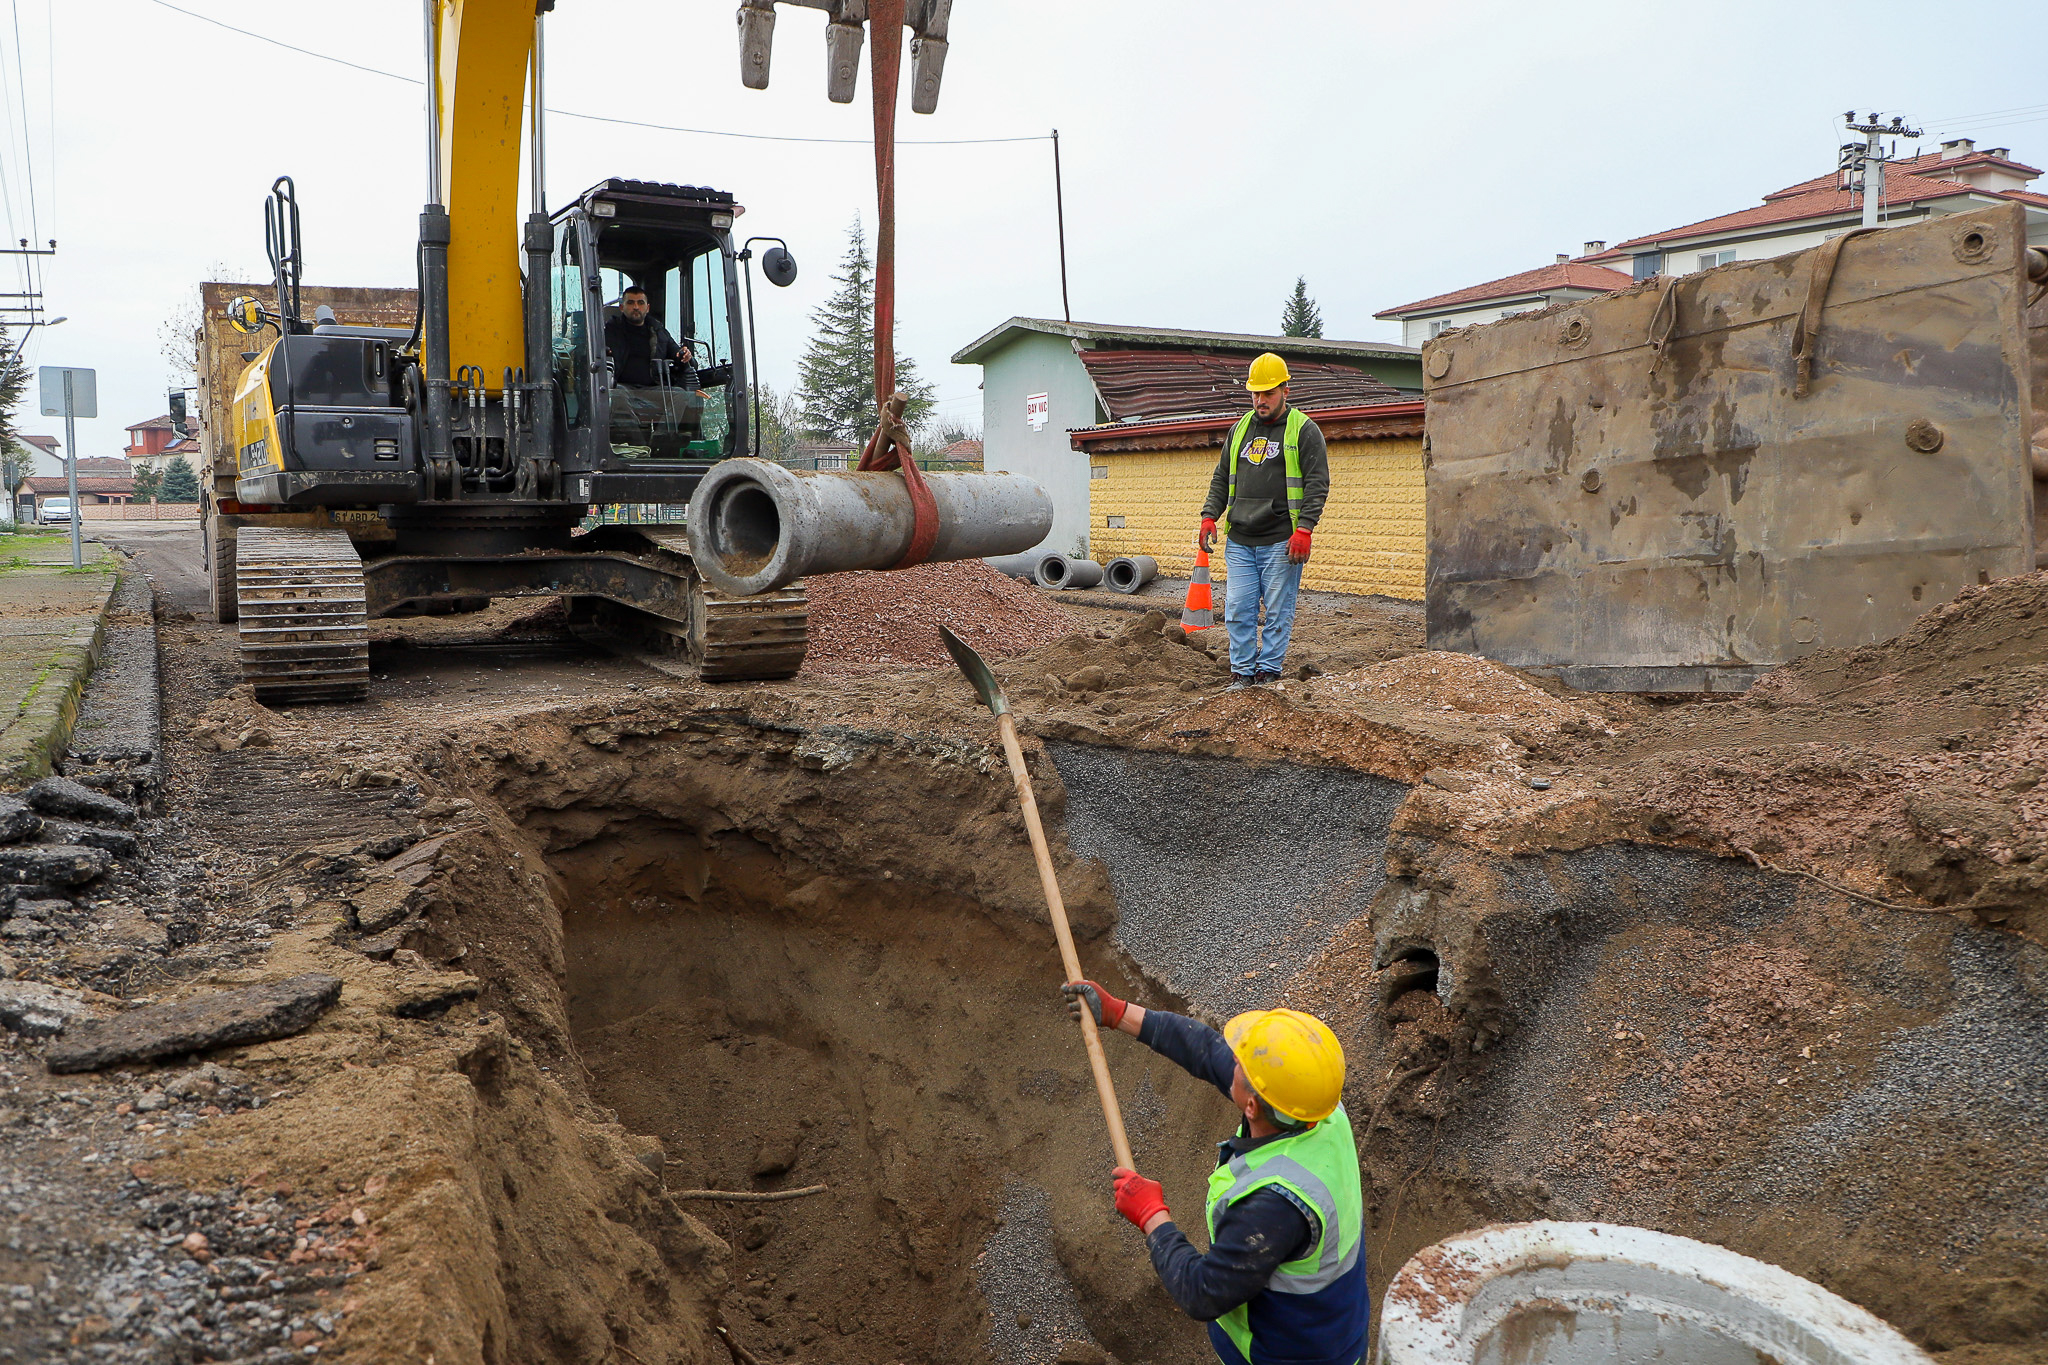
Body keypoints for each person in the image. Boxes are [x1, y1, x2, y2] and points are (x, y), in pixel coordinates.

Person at [1062, 980, 1369, 1365]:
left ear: (1253, 1106)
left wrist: (1151, 1216)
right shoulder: (1317, 1111)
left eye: (1242, 1065)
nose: (1233, 1060)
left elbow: (1203, 1291)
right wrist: (1119, 1013)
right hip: (1333, 1327)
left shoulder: (1273, 1206)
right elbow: (1206, 1050)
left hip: (1292, 1355)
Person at [1198, 353, 1329, 688]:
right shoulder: (1240, 429)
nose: (1260, 400)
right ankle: (1242, 674)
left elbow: (1317, 483)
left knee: (1276, 612)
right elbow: (1221, 477)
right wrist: (1210, 515)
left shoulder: (1303, 430)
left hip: (1280, 541)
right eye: (1255, 393)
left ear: (1286, 390)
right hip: (1241, 539)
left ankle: (1268, 672)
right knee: (1238, 609)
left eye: (1268, 393)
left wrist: (1305, 529)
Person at [603, 285, 695, 387]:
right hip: (620, 390)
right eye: (630, 303)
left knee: (680, 395)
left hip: (655, 392)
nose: (636, 307)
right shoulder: (609, 332)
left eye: (641, 303)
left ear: (648, 308)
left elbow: (679, 355)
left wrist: (686, 356)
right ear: (621, 307)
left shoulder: (660, 333)